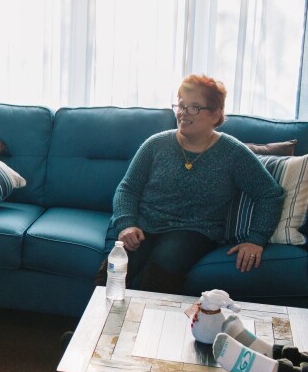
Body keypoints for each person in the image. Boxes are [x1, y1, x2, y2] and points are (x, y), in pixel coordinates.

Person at [98, 74, 283, 294]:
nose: (183, 113)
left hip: (194, 230)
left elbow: (270, 194)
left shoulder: (233, 153)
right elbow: (127, 188)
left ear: (215, 114)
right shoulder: (155, 144)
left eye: (194, 107)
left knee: (160, 270)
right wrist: (127, 223)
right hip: (144, 223)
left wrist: (256, 239)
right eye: (181, 105)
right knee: (114, 269)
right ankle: (94, 328)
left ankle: (146, 328)